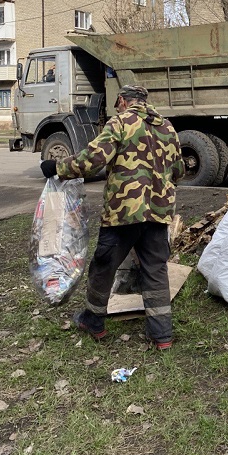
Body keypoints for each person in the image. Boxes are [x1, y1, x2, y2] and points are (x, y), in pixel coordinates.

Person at [40, 84, 185, 350]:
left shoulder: (121, 122)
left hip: (124, 213)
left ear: (122, 100)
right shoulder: (167, 127)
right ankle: (162, 335)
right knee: (155, 270)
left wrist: (57, 168)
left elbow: (93, 159)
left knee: (103, 266)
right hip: (159, 211)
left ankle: (94, 321)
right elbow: (179, 170)